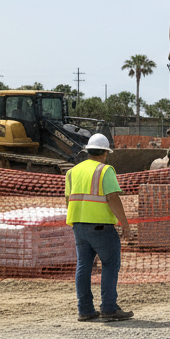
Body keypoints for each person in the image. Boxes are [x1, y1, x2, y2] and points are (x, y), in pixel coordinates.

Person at [65, 134, 133, 322]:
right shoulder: (105, 170)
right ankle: (109, 308)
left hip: (78, 226)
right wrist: (125, 224)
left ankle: (85, 310)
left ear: (88, 151)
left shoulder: (72, 172)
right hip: (101, 227)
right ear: (105, 152)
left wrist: (78, 220)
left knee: (83, 266)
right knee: (110, 264)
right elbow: (112, 198)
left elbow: (67, 200)